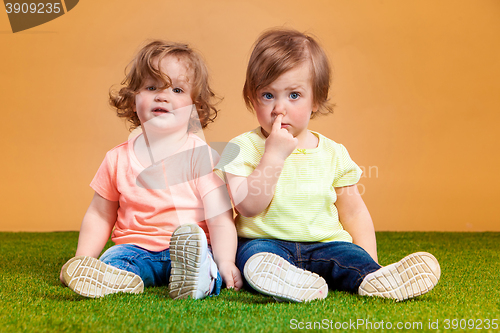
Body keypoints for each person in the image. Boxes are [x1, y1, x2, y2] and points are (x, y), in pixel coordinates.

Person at [214, 28, 440, 302]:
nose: (279, 108)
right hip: (265, 243)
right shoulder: (242, 148)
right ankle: (287, 281)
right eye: (268, 95)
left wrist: (371, 261)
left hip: (326, 244)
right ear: (252, 97)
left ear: (316, 101)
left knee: (351, 257)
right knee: (253, 257)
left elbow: (354, 213)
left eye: (294, 95)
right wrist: (272, 156)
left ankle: (375, 278)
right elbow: (247, 207)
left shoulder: (334, 153)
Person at [60, 40, 242, 299]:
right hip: (136, 248)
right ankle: (112, 279)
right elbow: (100, 215)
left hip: (188, 250)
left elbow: (220, 219)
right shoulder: (117, 158)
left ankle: (200, 277)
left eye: (177, 89)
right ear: (133, 99)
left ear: (194, 107)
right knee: (114, 260)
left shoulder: (202, 158)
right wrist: (82, 258)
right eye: (151, 87)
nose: (162, 95)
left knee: (205, 261)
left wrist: (225, 262)